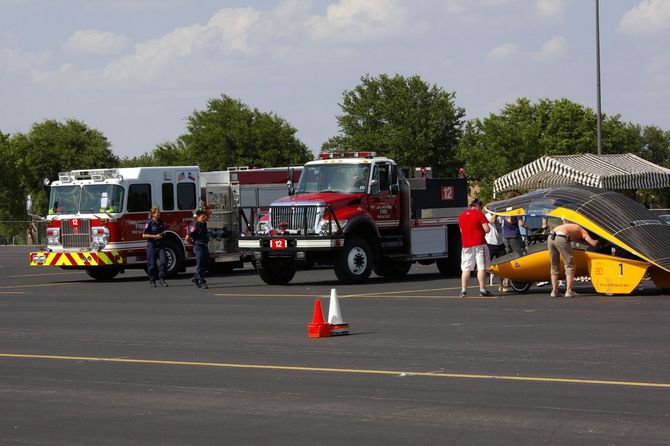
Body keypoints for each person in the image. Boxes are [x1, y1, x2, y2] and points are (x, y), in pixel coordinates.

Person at [547, 222, 599, 298]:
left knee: (554, 265)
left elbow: (575, 238)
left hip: (551, 237)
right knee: (570, 265)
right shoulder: (583, 231)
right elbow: (593, 243)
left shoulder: (572, 226)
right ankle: (569, 291)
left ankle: (554, 291)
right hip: (561, 238)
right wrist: (598, 241)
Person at [458, 198, 492, 297]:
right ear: (478, 206)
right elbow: (487, 229)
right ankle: (482, 289)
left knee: (466, 268)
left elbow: (461, 231)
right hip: (479, 243)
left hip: (466, 245)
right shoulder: (479, 214)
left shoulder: (462, 215)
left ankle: (463, 290)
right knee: (481, 267)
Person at [143, 207, 168, 287]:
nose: (159, 214)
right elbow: (144, 235)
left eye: (159, 212)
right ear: (153, 214)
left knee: (164, 261)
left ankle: (161, 278)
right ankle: (152, 280)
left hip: (160, 244)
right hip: (152, 245)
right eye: (157, 213)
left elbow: (163, 231)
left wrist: (163, 234)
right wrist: (154, 236)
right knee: (152, 264)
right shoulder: (149, 223)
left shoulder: (161, 222)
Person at [186, 210, 210, 289]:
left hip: (204, 246)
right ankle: (202, 281)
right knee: (200, 265)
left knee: (206, 264)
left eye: (204, 217)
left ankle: (196, 278)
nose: (204, 218)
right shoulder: (194, 225)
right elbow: (187, 237)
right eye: (202, 217)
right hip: (198, 247)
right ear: (198, 217)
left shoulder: (204, 224)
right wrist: (192, 243)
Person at [485, 210, 508, 292]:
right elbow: (492, 221)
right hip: (490, 243)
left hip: (500, 243)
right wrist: (495, 214)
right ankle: (483, 287)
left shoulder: (500, 216)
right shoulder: (487, 215)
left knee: (502, 265)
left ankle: (501, 285)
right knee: (486, 266)